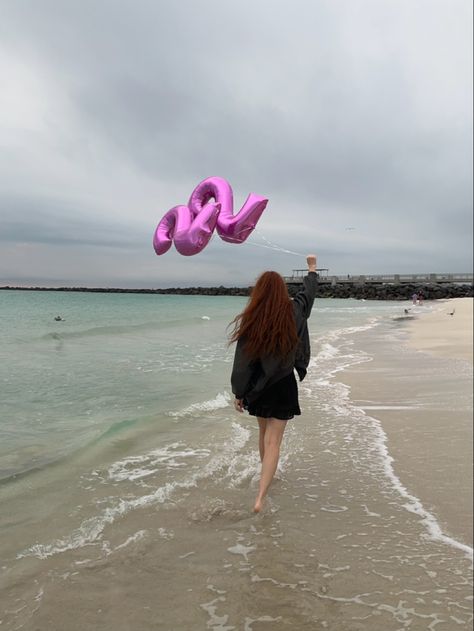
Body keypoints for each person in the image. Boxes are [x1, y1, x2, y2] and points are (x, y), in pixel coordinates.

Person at [229, 254, 318, 513]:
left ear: (258, 292)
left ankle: (266, 478)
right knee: (274, 442)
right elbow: (309, 293)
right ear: (282, 290)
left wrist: (239, 392)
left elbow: (243, 361)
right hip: (283, 385)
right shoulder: (296, 310)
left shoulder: (252, 318)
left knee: (263, 434)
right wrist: (311, 268)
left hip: (258, 388)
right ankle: (261, 497)